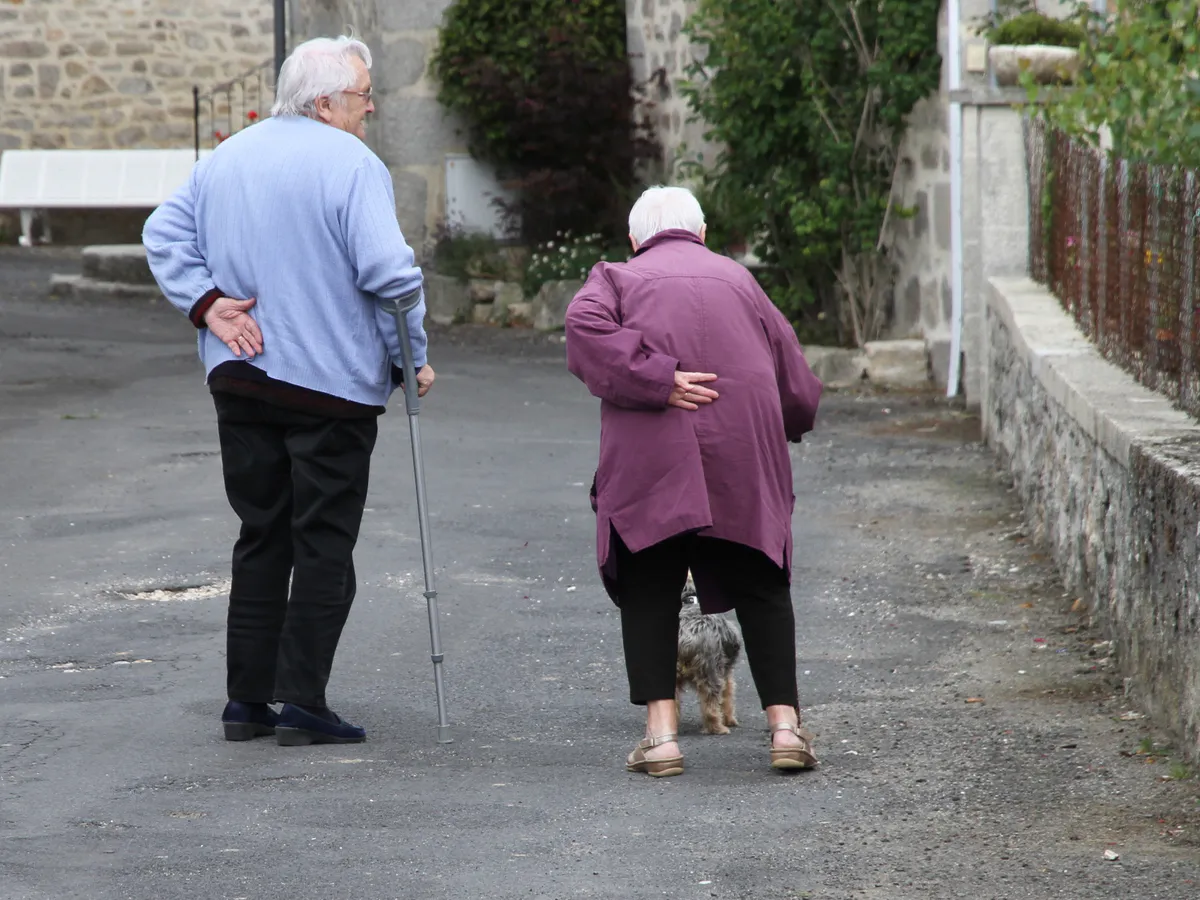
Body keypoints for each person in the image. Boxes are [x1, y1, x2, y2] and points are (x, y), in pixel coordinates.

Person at [143, 35, 434, 747]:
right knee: (324, 544)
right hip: (329, 385)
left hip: (240, 376)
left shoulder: (228, 155)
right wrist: (411, 359)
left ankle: (247, 702)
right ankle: (304, 702)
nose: (370, 108)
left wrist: (208, 304)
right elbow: (390, 276)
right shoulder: (353, 164)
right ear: (326, 103)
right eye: (364, 96)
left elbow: (162, 232)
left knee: (262, 535)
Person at [564, 186, 823, 776]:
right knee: (760, 578)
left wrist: (656, 378)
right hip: (742, 449)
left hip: (652, 452)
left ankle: (661, 740)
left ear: (635, 239)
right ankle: (785, 730)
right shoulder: (740, 280)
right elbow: (796, 380)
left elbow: (583, 327)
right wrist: (787, 421)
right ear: (702, 233)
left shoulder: (615, 278)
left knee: (650, 581)